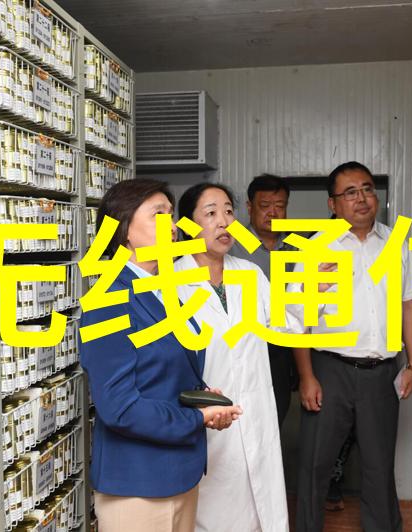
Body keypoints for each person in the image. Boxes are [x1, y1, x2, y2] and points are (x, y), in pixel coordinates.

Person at [80, 178, 242, 532]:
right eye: (158, 214)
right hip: (138, 486)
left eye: (171, 213)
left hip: (180, 473)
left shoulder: (163, 292)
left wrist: (202, 397)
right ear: (124, 230)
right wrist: (196, 419)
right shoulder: (109, 301)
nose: (172, 225)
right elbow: (119, 408)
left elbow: (165, 373)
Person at [292, 162, 412, 532]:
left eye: (367, 189)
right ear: (332, 204)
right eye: (350, 192)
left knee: (379, 466)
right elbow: (297, 318)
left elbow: (410, 305)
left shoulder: (396, 244)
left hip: (381, 372)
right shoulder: (316, 247)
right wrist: (306, 377)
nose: (361, 198)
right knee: (315, 464)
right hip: (329, 369)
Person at [174, 182, 288, 532]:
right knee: (212, 510)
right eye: (211, 213)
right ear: (187, 226)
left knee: (259, 510)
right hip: (207, 417)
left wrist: (313, 290)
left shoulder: (250, 274)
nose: (224, 221)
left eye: (228, 211)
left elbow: (285, 325)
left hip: (255, 411)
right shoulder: (171, 282)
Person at [231, 174, 296, 427]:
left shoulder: (295, 246)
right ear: (249, 207)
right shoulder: (232, 241)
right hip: (240, 344)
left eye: (280, 206)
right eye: (265, 205)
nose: (273, 213)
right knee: (238, 416)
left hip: (279, 348)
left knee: (277, 413)